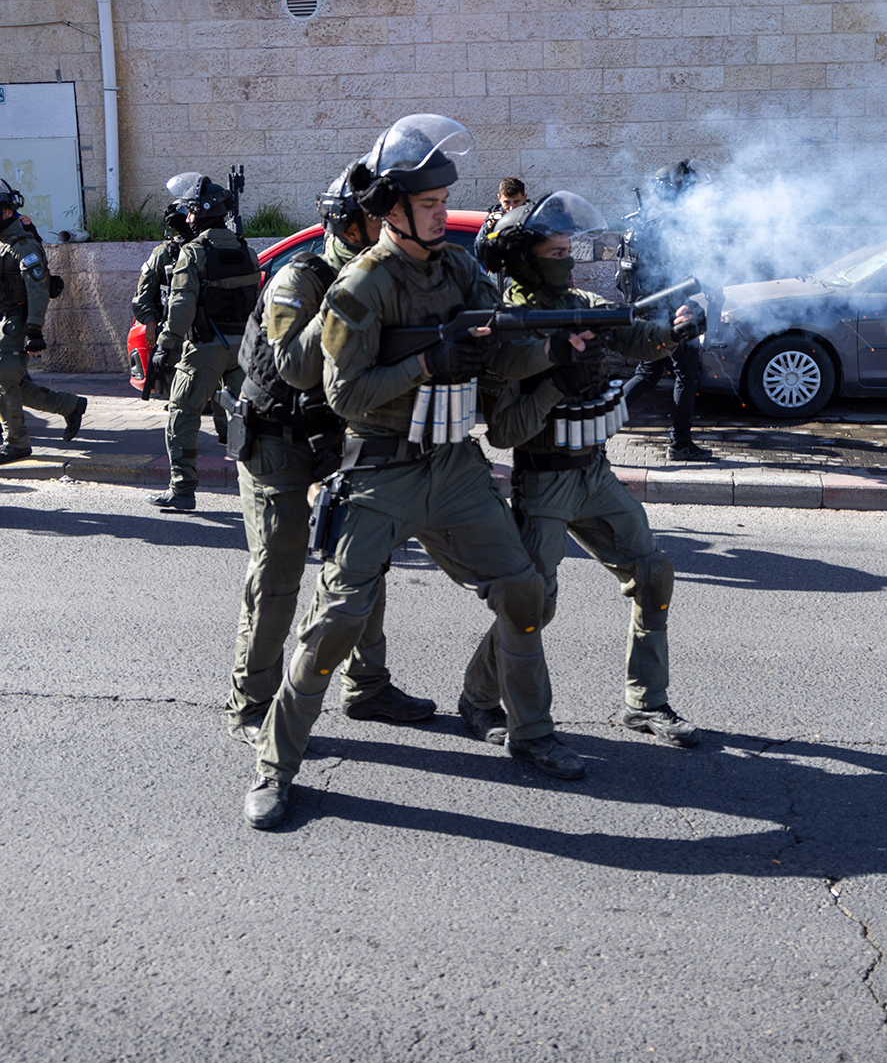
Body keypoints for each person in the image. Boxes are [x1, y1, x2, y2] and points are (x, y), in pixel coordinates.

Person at [244, 114, 575, 830]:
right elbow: (344, 395)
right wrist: (428, 361)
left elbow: (501, 349)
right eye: (429, 204)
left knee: (525, 590)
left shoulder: (458, 269)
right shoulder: (359, 286)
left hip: (454, 465)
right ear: (392, 210)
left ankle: (530, 731)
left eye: (443, 201)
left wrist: (556, 353)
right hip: (380, 471)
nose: (442, 214)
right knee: (337, 620)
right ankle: (274, 766)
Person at [471, 191, 702, 748]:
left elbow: (637, 338)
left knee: (652, 573)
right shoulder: (510, 329)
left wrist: (676, 330)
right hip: (543, 480)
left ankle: (646, 702)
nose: (568, 261)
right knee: (532, 603)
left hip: (594, 474)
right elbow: (503, 433)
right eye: (557, 253)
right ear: (526, 260)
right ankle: (478, 700)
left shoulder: (580, 303)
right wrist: (557, 380)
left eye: (568, 249)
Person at [222, 163, 434, 748]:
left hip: (343, 440)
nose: (392, 226)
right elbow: (294, 367)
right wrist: (349, 299)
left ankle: (366, 684)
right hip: (279, 442)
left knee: (364, 561)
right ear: (348, 223)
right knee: (277, 573)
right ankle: (251, 702)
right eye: (379, 218)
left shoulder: (386, 276)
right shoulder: (301, 278)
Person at [145, 172, 257, 512]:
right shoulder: (246, 250)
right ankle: (256, 487)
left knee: (182, 414)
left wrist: (166, 345)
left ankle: (182, 489)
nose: (188, 218)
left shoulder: (194, 252)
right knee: (245, 417)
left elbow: (181, 306)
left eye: (191, 211)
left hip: (205, 347)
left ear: (201, 212)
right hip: (242, 348)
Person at [0, 175, 86, 464]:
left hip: (17, 321)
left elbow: (38, 290)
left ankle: (15, 442)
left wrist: (34, 331)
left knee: (4, 383)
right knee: (7, 381)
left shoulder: (22, 245)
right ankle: (68, 405)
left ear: (8, 211)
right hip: (2, 320)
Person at [619, 160, 712, 462]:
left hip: (651, 307)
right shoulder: (671, 222)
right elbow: (677, 271)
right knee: (687, 373)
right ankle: (680, 443)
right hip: (668, 310)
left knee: (648, 373)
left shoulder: (651, 218)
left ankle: (597, 427)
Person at [131, 201, 193, 354]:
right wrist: (150, 321)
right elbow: (144, 291)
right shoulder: (165, 252)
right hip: (171, 327)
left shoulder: (208, 249)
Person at [472, 175, 528, 258]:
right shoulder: (493, 218)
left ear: (524, 198)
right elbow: (479, 253)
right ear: (499, 198)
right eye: (507, 202)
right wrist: (488, 228)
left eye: (516, 202)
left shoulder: (532, 217)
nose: (511, 208)